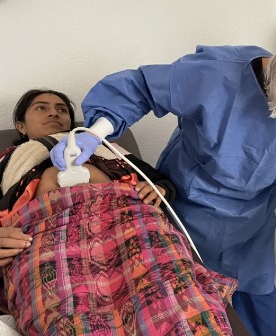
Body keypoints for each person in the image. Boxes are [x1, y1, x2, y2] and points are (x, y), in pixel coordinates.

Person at [49, 19, 276, 336]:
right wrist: (95, 132)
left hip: (252, 221)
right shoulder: (214, 75)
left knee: (255, 300)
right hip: (190, 206)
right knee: (189, 303)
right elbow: (140, 88)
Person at [0, 89, 240, 335]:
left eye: (62, 109)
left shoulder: (105, 147)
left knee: (170, 289)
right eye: (41, 107)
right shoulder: (6, 162)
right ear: (20, 125)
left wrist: (158, 188)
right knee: (65, 309)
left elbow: (160, 181)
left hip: (127, 218)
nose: (53, 113)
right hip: (45, 233)